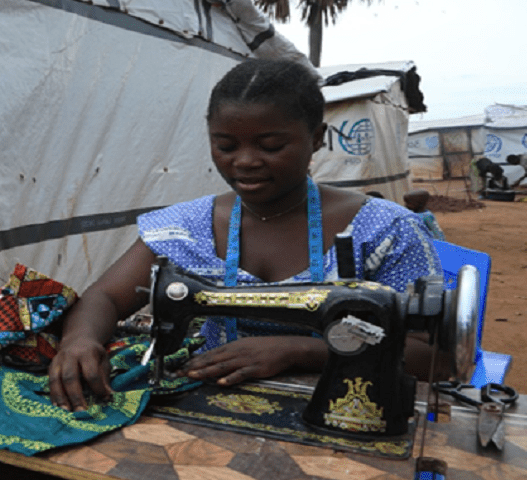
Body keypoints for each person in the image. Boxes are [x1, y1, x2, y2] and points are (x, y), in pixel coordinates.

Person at [48, 59, 443, 412]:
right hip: (216, 402)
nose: (246, 161)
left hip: (346, 410)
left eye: (271, 145)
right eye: (225, 146)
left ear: (317, 138)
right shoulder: (186, 228)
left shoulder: (385, 231)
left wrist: (303, 351)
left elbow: (433, 356)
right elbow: (103, 296)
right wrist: (80, 341)